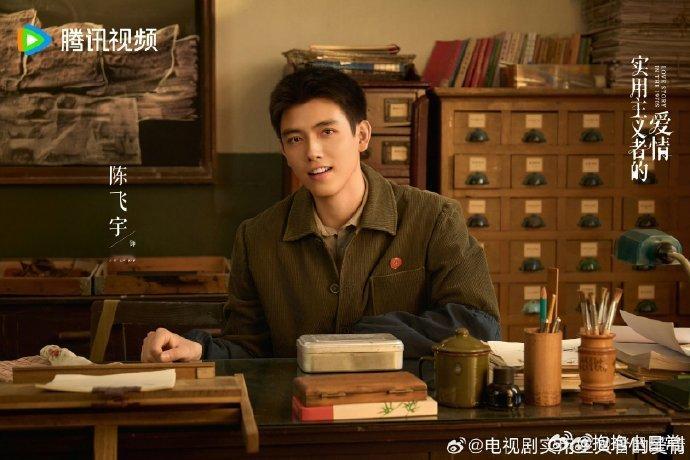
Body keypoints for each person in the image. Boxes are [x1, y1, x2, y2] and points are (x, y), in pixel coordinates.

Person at [141, 67, 499, 363]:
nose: (312, 151)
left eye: (327, 132)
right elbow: (249, 350)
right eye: (295, 139)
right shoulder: (257, 237)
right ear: (284, 151)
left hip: (405, 408)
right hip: (302, 411)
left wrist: (370, 337)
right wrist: (198, 350)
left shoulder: (434, 218)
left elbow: (479, 324)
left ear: (362, 135)